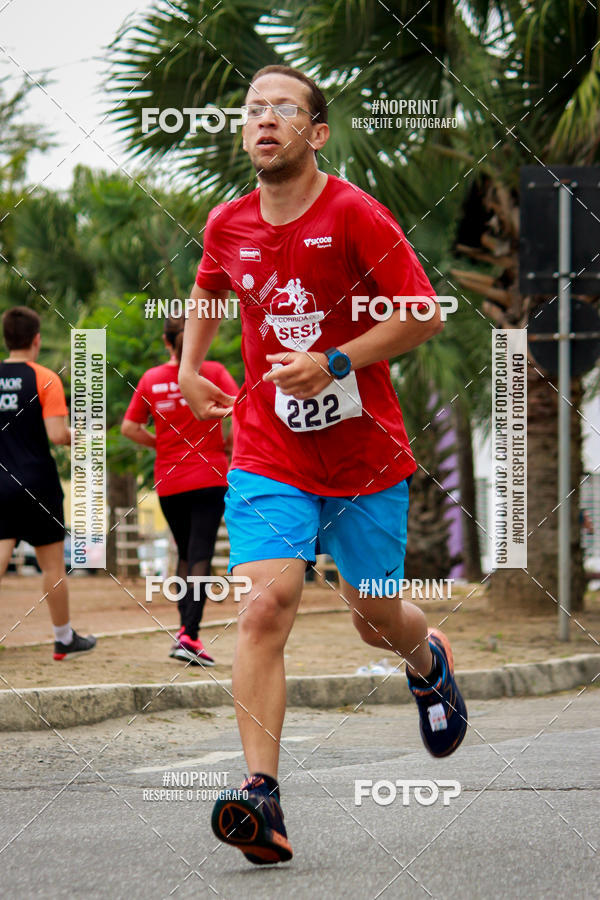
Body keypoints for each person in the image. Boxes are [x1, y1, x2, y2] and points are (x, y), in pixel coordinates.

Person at [178, 64, 468, 865]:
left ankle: (426, 657)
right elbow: (209, 290)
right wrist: (196, 366)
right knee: (266, 606)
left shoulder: (354, 214)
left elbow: (422, 314)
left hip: (365, 455)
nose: (264, 120)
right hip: (269, 450)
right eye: (253, 109)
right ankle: (261, 798)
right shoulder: (227, 221)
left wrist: (335, 361)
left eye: (284, 109)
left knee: (374, 617)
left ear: (317, 131)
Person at [122, 314, 237, 665]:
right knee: (199, 552)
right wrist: (227, 443)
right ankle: (190, 634)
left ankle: (184, 632)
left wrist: (161, 444)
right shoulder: (214, 372)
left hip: (170, 480)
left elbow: (129, 427)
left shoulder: (152, 379)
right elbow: (239, 408)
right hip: (210, 475)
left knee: (185, 554)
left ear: (165, 341)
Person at [0, 306, 96, 660]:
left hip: (1, 483)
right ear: (36, 340)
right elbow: (58, 435)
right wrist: (84, 435)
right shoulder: (45, 378)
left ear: (7, 338)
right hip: (38, 484)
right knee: (53, 567)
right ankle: (63, 639)